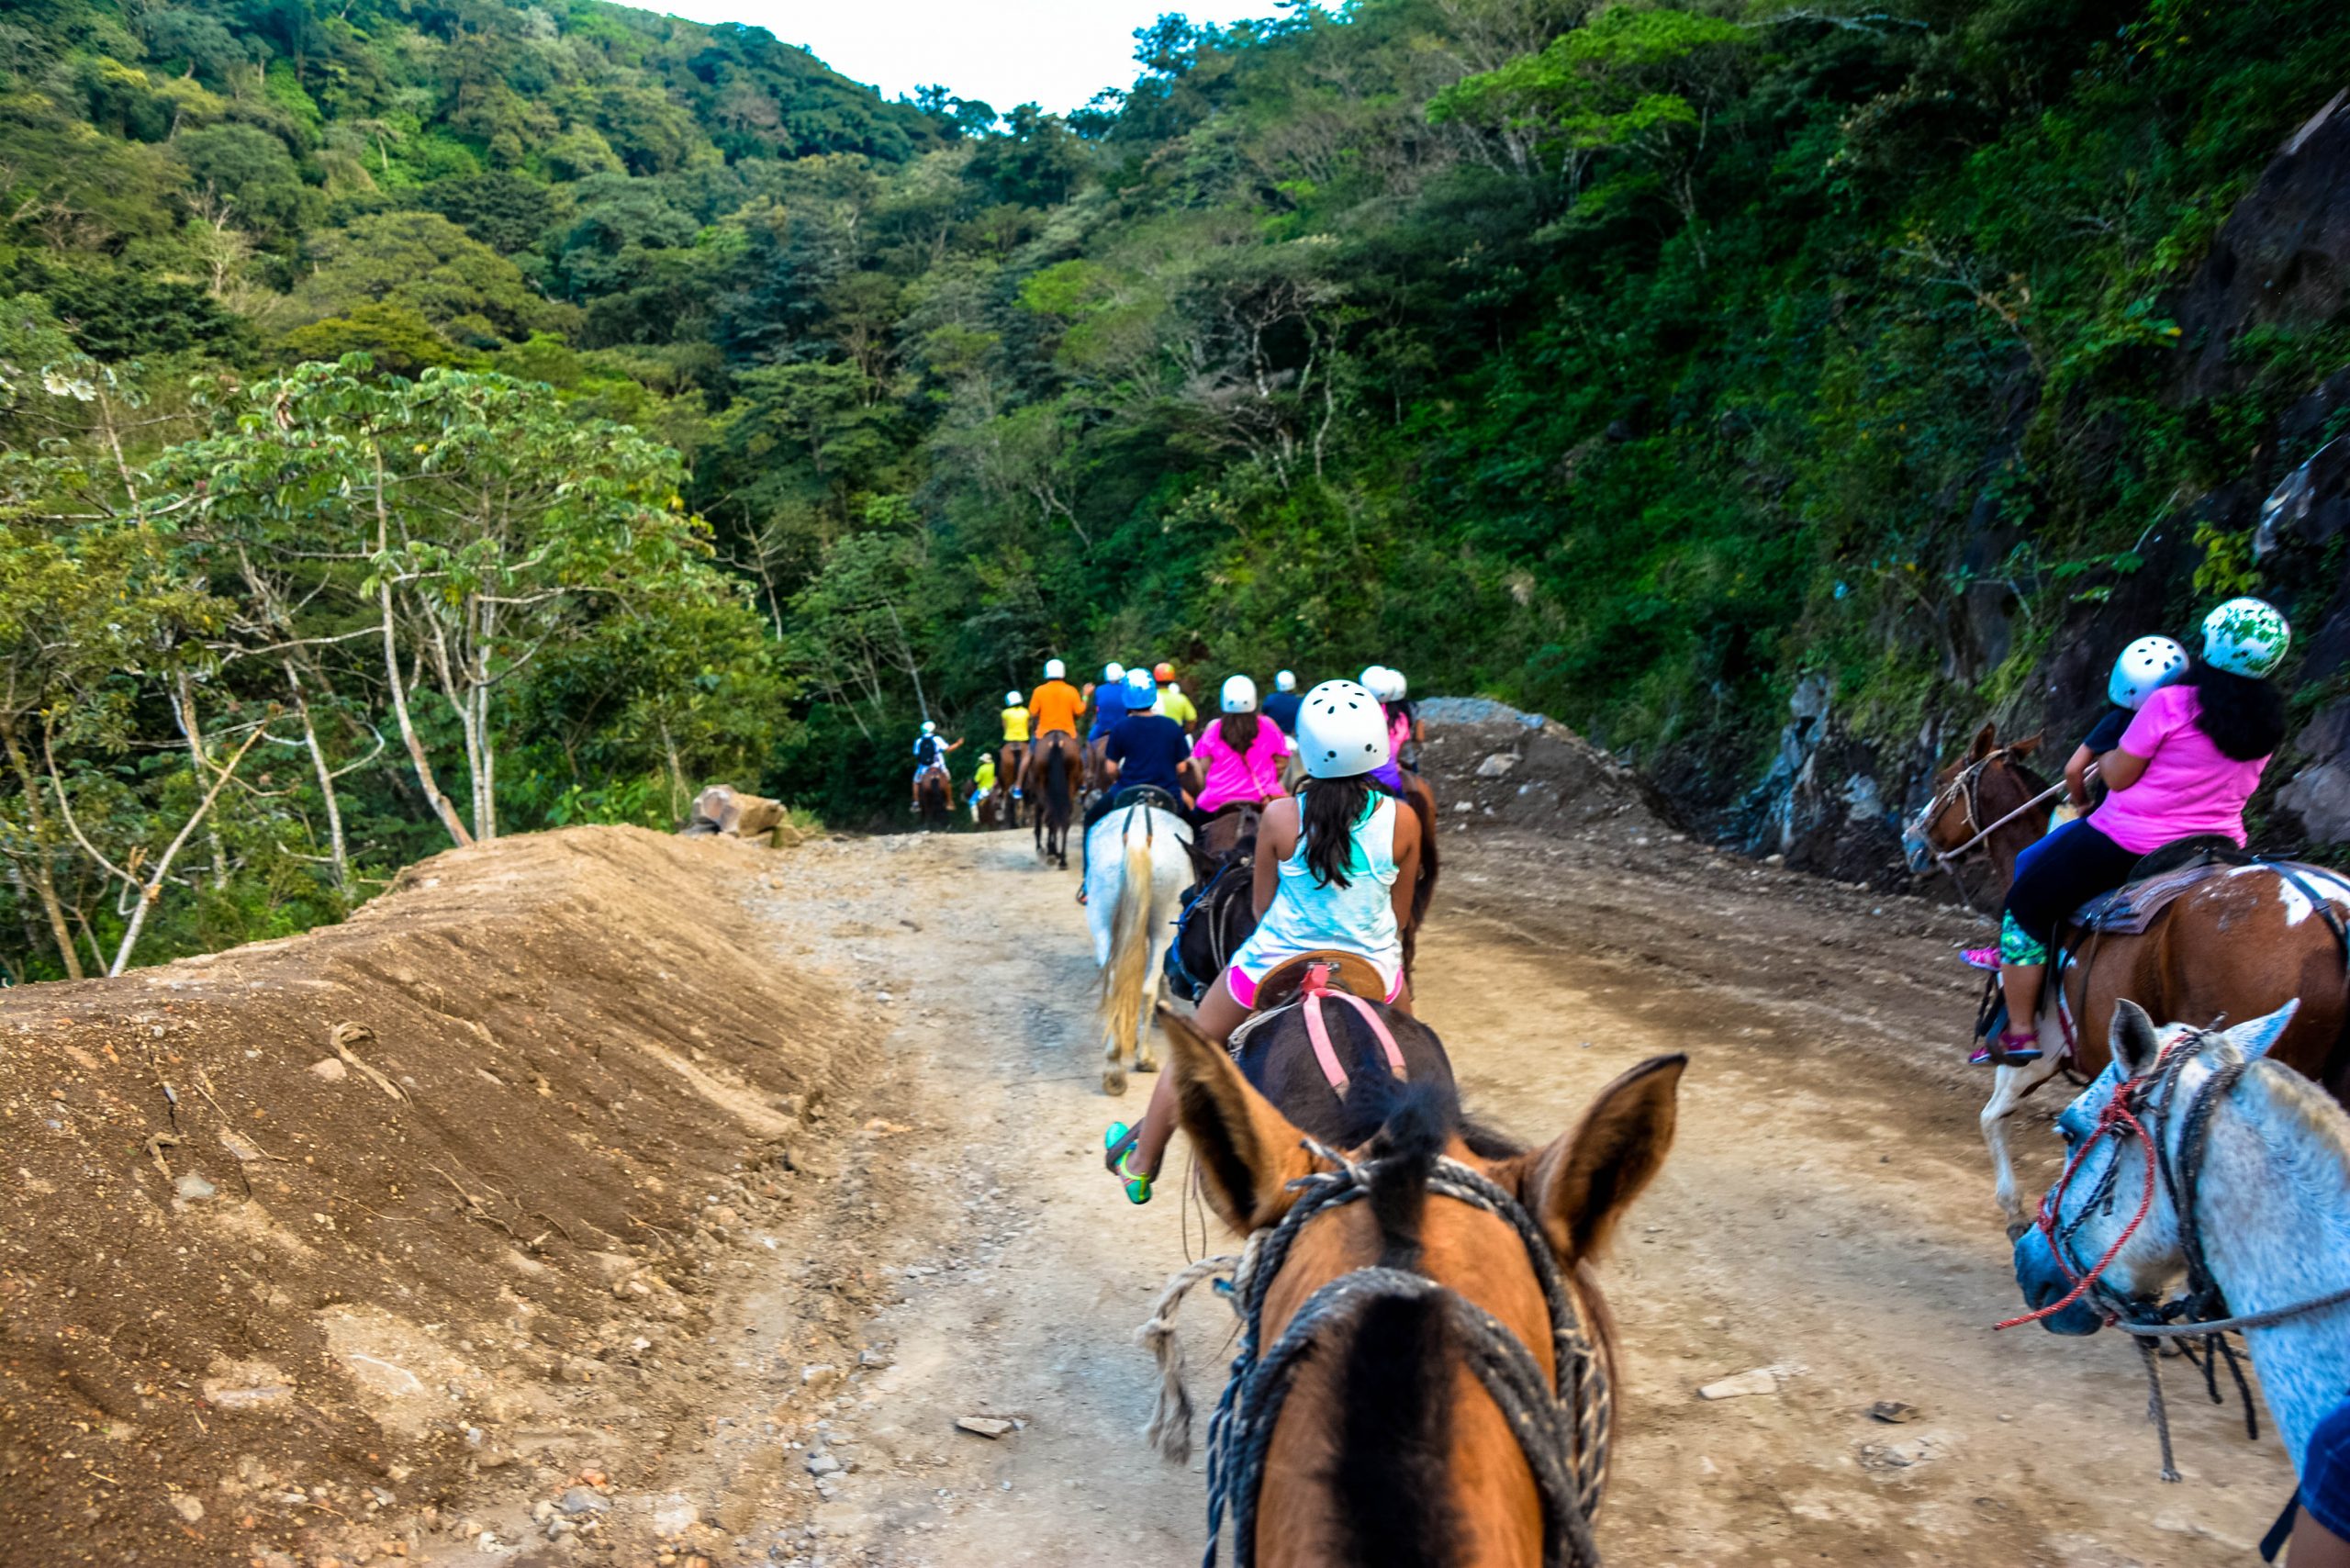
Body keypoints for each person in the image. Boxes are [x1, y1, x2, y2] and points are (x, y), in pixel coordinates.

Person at [1104, 678, 1420, 1202]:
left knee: (1196, 1051)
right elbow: (1401, 916)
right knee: (1418, 1053)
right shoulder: (1403, 820)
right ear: (1378, 744)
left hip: (1277, 959)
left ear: (1309, 748)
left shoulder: (1279, 815)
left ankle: (1141, 1162)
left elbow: (1258, 909)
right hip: (1375, 969)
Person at [1977, 598, 2290, 1065]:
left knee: (2025, 902)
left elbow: (2118, 776)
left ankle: (2021, 1030)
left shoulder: (2170, 703)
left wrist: (2104, 752)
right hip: (2220, 847)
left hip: (2128, 841)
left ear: (2211, 644)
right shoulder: (2268, 724)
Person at [1963, 635, 2188, 970]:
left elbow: (2073, 770)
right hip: (2186, 831)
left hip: (2119, 829)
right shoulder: (2189, 719)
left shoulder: (2116, 721)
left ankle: (2015, 948)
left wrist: (2082, 804)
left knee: (2029, 864)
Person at [1076, 666, 1193, 900]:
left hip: (1128, 792)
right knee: (1198, 825)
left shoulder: (1120, 728)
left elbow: (1110, 768)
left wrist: (1118, 777)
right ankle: (1204, 881)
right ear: (1152, 696)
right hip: (1167, 794)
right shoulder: (1171, 726)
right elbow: (1181, 768)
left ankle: (1088, 882)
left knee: (1091, 819)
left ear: (1126, 698)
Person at [1192, 674, 1292, 818]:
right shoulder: (1268, 725)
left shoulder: (1213, 728)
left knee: (1192, 829)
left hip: (1217, 801)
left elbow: (1204, 767)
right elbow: (1282, 762)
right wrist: (1270, 779)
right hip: (1263, 798)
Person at [910, 720, 965, 812]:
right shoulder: (937, 739)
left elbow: (916, 754)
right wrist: (958, 744)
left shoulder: (918, 741)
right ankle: (949, 801)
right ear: (932, 730)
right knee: (947, 780)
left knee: (915, 782)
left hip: (923, 768)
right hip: (939, 766)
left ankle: (916, 803)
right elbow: (948, 749)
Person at [999, 689, 1032, 801]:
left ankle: (997, 783)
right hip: (1024, 740)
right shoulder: (1026, 712)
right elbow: (1028, 727)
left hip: (1009, 740)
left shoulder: (1005, 713)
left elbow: (1005, 727)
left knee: (997, 757)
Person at [1157, 662, 1200, 734]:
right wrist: (1183, 733)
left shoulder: (1149, 698)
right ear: (1173, 678)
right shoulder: (1181, 699)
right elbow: (1192, 720)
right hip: (1175, 737)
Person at [1262, 669, 1304, 737]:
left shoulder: (1270, 699)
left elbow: (1264, 715)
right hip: (1294, 737)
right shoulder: (1299, 701)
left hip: (1274, 737)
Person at [969, 754, 997, 823]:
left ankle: (976, 819)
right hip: (993, 788)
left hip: (983, 790)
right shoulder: (994, 766)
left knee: (971, 801)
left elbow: (976, 780)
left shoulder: (981, 769)